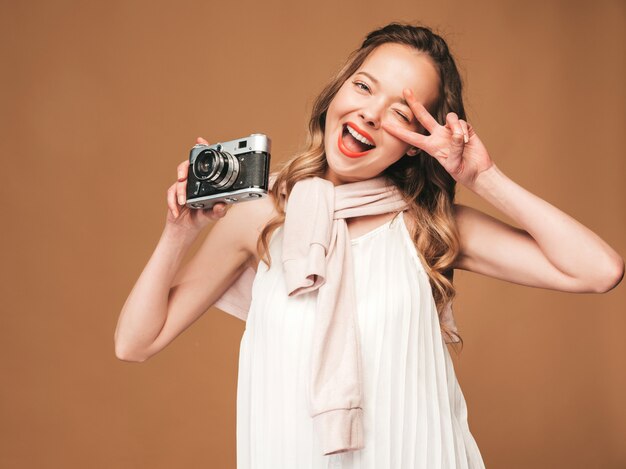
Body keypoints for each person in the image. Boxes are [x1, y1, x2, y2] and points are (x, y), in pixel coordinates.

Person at [114, 22, 624, 469]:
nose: (371, 114)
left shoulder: (428, 226)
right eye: (363, 86)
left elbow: (598, 270)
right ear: (337, 92)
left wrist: (482, 178)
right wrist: (179, 232)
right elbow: (135, 343)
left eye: (402, 112)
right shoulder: (260, 216)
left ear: (415, 141)